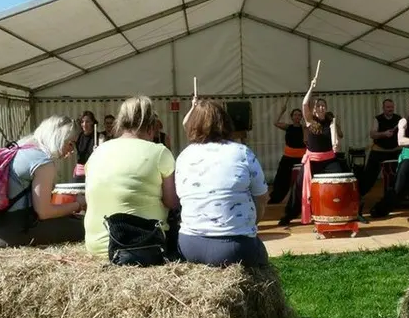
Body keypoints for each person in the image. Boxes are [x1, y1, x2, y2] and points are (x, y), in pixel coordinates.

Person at [175, 98, 270, 267]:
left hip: (189, 245)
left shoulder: (183, 156)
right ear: (225, 123)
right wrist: (252, 224)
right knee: (261, 257)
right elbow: (262, 197)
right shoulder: (242, 152)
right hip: (234, 246)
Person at [83, 96, 179, 258]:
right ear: (150, 126)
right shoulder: (160, 152)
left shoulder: (98, 152)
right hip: (141, 245)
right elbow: (171, 202)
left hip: (96, 246)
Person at [0, 115, 86, 248]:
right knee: (86, 226)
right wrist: (77, 205)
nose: (72, 150)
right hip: (15, 233)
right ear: (58, 138)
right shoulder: (43, 162)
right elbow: (44, 212)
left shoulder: (18, 148)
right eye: (70, 143)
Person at [278, 79, 366, 226]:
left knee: (345, 181)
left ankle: (355, 211)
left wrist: (336, 144)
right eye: (318, 106)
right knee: (299, 188)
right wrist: (311, 88)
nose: (320, 107)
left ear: (326, 108)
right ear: (314, 109)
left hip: (329, 160)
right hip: (312, 161)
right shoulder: (310, 121)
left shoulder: (330, 122)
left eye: (323, 105)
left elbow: (334, 139)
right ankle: (289, 215)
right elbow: (304, 104)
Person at [358, 99, 402, 215]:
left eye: (391, 107)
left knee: (401, 172)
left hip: (395, 150)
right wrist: (384, 134)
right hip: (379, 150)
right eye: (388, 107)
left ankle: (397, 197)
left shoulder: (399, 119)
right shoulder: (377, 119)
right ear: (383, 108)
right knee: (369, 175)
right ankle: (359, 195)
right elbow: (372, 134)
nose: (390, 109)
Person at [268, 100, 306, 204]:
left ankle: (300, 199)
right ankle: (277, 197)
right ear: (292, 117)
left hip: (301, 157)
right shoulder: (288, 127)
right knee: (281, 177)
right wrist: (281, 111)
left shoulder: (304, 128)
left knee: (301, 178)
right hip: (288, 156)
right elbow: (275, 122)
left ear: (301, 117)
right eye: (295, 115)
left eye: (299, 115)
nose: (297, 117)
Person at [72, 110, 97, 182]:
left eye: (87, 121)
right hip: (80, 171)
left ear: (92, 122)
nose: (84, 124)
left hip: (93, 171)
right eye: (82, 122)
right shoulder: (78, 136)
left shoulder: (99, 137)